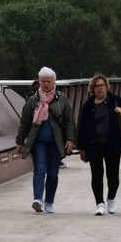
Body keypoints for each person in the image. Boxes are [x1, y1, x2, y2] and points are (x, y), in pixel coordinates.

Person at [13, 67, 75, 214]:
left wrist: (70, 139)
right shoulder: (33, 100)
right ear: (39, 82)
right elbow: (25, 122)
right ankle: (38, 199)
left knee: (53, 173)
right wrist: (20, 142)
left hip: (56, 142)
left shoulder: (61, 99)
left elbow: (69, 121)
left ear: (54, 82)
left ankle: (49, 202)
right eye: (43, 81)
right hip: (38, 142)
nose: (46, 84)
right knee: (40, 169)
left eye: (49, 81)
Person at [76, 74, 121, 215]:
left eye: (102, 85)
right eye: (96, 86)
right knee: (97, 174)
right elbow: (82, 127)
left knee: (113, 176)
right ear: (92, 89)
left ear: (107, 87)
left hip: (113, 144)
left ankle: (111, 199)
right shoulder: (88, 105)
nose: (99, 88)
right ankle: (100, 203)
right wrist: (82, 148)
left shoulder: (115, 100)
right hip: (94, 145)